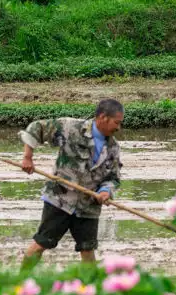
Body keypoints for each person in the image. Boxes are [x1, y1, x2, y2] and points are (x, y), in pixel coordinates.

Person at [17, 99, 124, 270]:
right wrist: (28, 157)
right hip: (60, 199)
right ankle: (20, 281)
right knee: (42, 243)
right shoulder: (70, 128)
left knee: (88, 249)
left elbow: (113, 177)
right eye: (116, 123)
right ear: (103, 117)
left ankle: (91, 289)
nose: (118, 128)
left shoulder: (113, 148)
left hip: (88, 205)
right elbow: (36, 128)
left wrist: (105, 191)